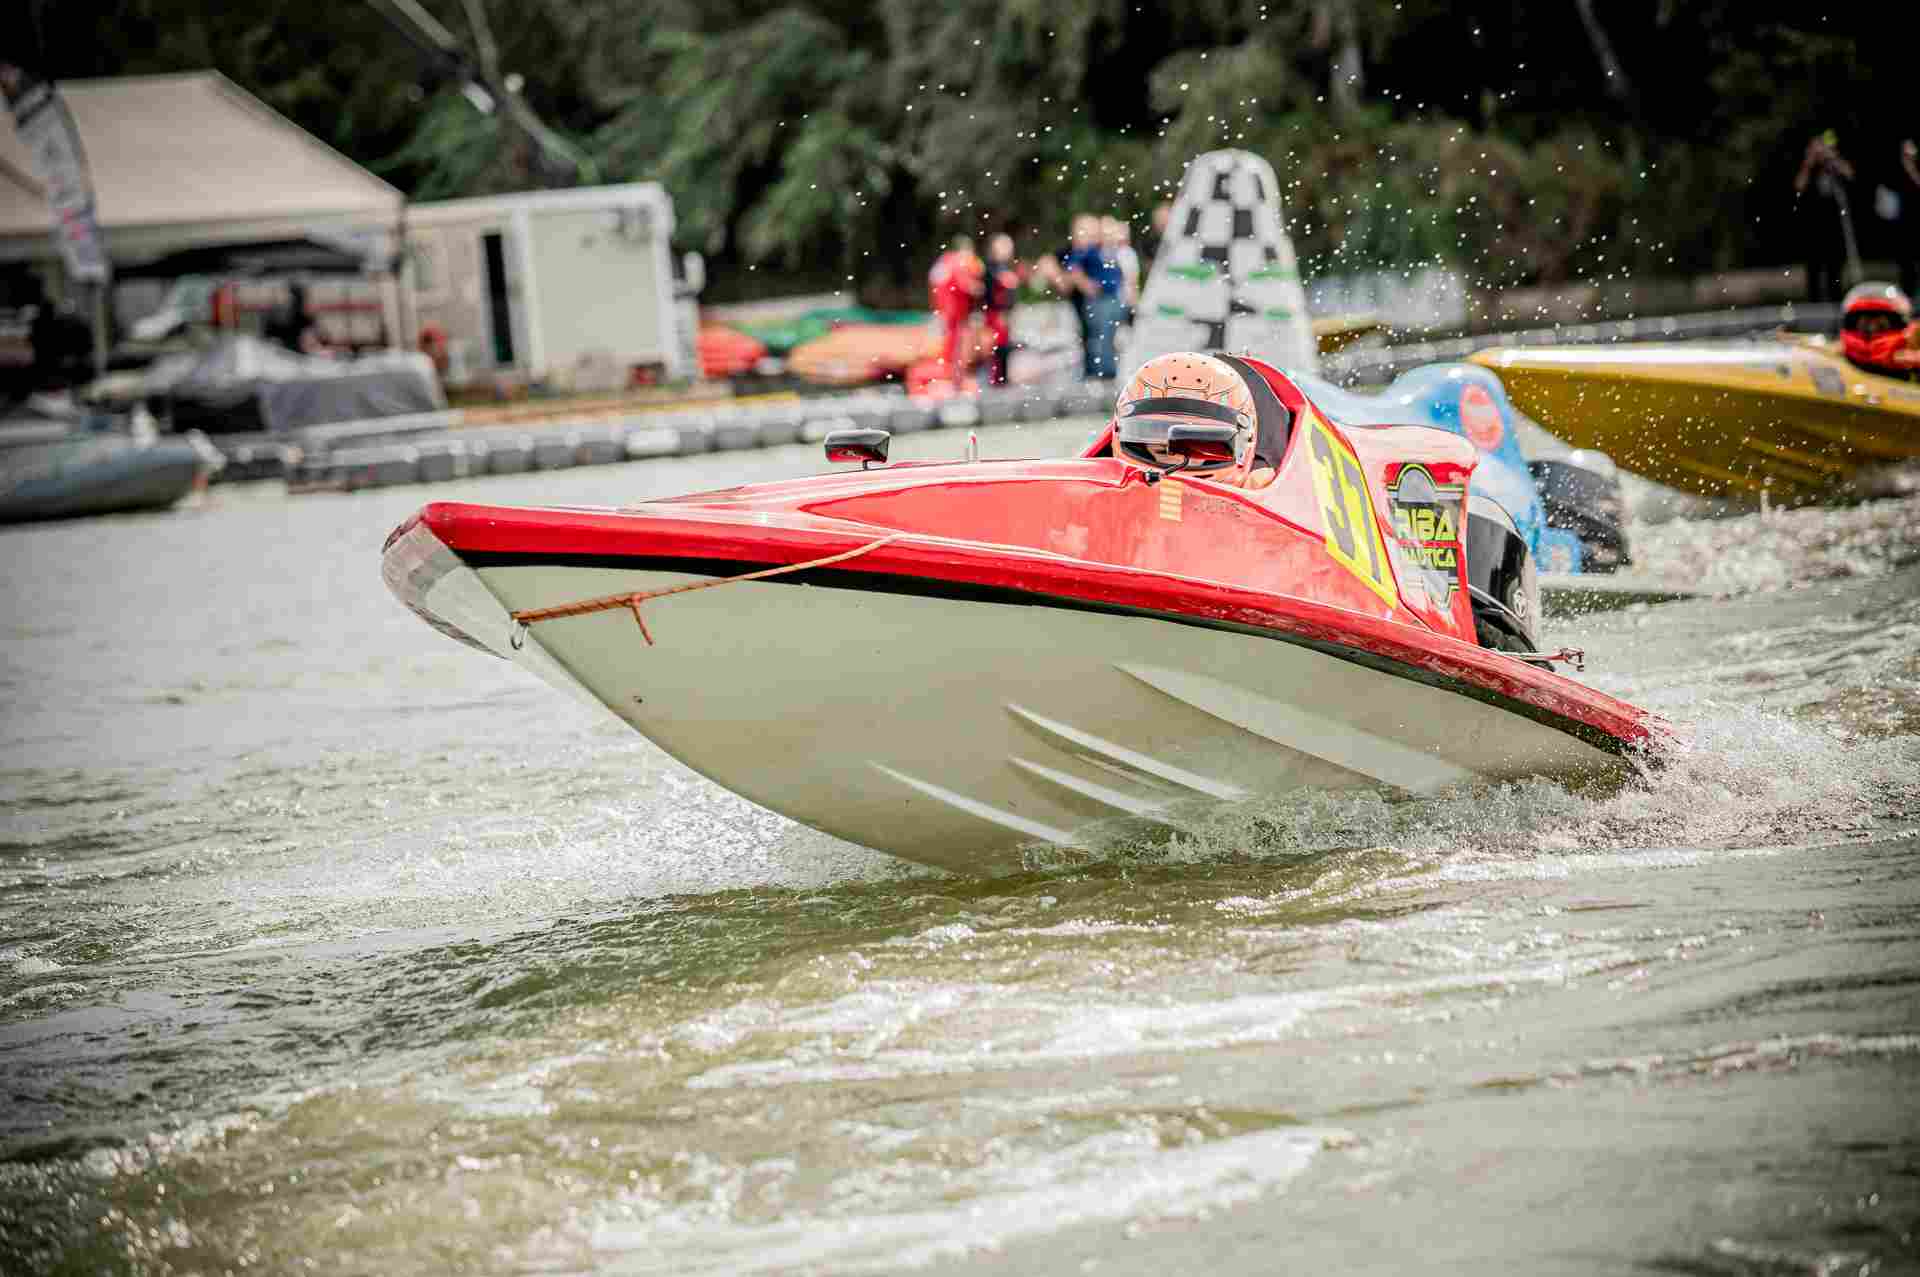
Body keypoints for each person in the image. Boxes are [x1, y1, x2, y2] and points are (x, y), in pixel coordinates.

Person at [1107, 351, 1276, 489]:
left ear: (1244, 440)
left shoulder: (1265, 492)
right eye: (1154, 432)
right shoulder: (1101, 484)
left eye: (1199, 443)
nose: (1176, 457)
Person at [1794, 131, 1856, 308]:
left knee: (1835, 268)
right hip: (1813, 226)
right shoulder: (1809, 168)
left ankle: (1836, 304)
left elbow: (1850, 174)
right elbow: (1798, 186)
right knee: (1813, 268)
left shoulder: (1833, 166)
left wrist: (1832, 158)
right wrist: (1809, 161)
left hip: (1834, 225)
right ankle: (1814, 306)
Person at [1037, 214, 1100, 377]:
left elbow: (1093, 287)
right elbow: (1046, 267)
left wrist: (1076, 279)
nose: (1085, 235)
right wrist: (1065, 278)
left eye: (1090, 231)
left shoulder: (1099, 254)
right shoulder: (1068, 253)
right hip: (1073, 311)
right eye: (1081, 230)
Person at [928, 236, 984, 380]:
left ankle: (949, 370)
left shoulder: (945, 261)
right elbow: (965, 283)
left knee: (950, 340)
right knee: (954, 342)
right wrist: (977, 287)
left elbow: (935, 281)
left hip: (946, 308)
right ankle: (950, 373)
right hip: (953, 310)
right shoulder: (957, 262)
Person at [1838, 281, 1920, 379]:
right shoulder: (1835, 358)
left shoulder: (1912, 359)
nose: (1872, 329)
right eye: (1865, 325)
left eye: (1881, 326)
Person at [980, 232, 1022, 387]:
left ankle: (1002, 378)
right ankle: (997, 379)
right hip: (994, 314)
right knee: (996, 346)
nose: (1008, 249)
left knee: (1004, 346)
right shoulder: (990, 269)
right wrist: (999, 309)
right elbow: (989, 292)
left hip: (1003, 314)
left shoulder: (1004, 268)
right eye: (1004, 246)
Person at [1899, 139, 1920, 300]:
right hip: (1904, 224)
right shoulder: (1898, 171)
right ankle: (1908, 297)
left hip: (1917, 220)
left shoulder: (1914, 169)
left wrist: (1911, 168)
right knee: (1906, 264)